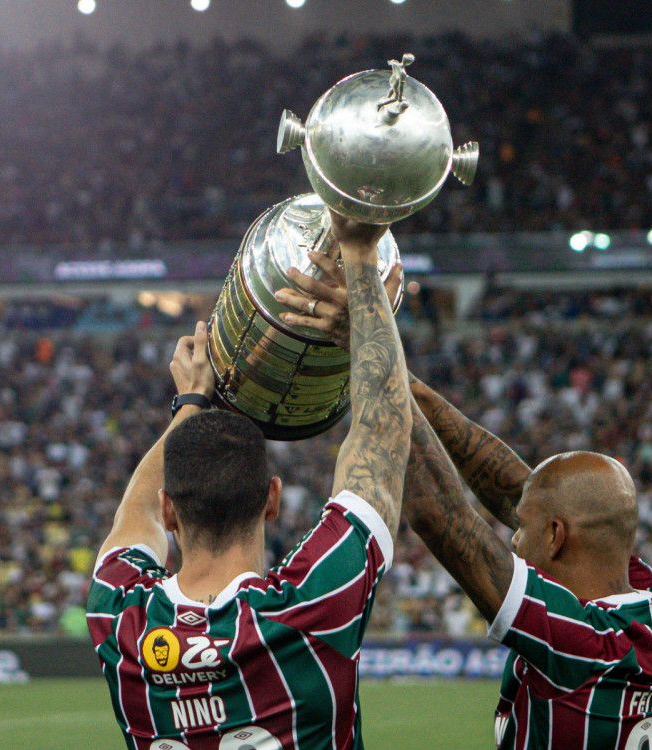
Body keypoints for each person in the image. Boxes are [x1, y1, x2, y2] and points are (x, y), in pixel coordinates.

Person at [278, 254, 652, 749]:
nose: (513, 537)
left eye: (520, 528)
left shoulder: (579, 646)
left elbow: (446, 518)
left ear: (557, 537)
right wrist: (397, 376)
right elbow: (528, 493)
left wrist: (364, 347)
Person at [86, 212, 411, 749]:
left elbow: (132, 516)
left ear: (171, 513)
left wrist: (193, 400)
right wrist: (358, 265)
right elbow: (382, 436)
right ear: (272, 500)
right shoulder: (308, 607)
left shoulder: (122, 619)